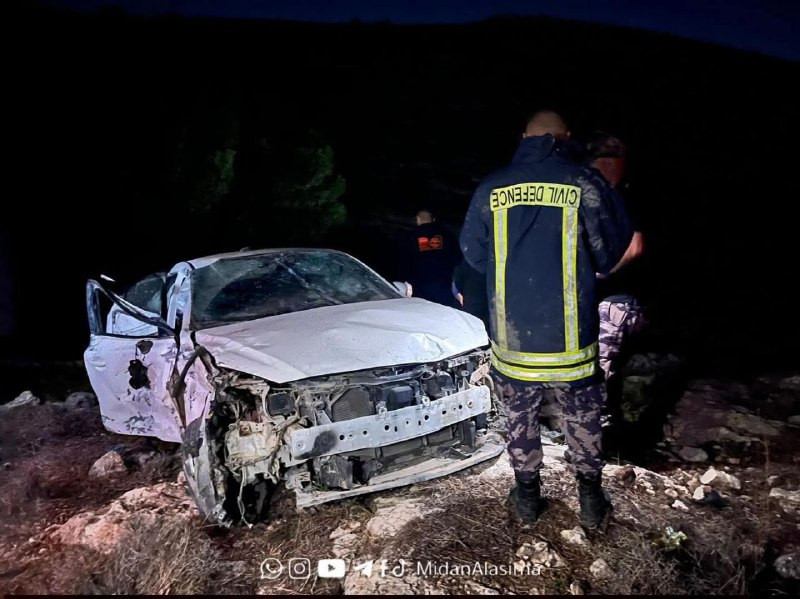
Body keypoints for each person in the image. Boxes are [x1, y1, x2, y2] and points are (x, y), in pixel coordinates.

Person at [460, 110, 633, 530]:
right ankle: (591, 501)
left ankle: (527, 500)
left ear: (524, 137)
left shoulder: (491, 187)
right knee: (584, 418)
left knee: (518, 418)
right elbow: (610, 253)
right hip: (571, 339)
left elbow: (474, 254)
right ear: (566, 137)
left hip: (513, 339)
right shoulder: (585, 184)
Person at [586, 132, 646, 385]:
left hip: (614, 301)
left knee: (600, 373)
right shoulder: (602, 196)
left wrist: (600, 274)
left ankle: (604, 422)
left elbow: (636, 246)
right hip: (604, 297)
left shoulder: (625, 197)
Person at [398, 208, 460, 307]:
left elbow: (404, 261)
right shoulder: (447, 234)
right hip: (443, 284)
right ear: (433, 219)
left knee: (423, 313)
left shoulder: (411, 236)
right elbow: (457, 257)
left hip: (419, 286)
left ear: (418, 219)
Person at [452, 258, 490, 331]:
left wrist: (458, 295)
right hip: (476, 302)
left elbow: (455, 284)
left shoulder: (464, 263)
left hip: (473, 304)